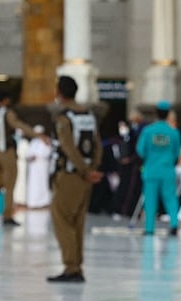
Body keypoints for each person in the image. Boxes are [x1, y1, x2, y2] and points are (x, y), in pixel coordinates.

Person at [47, 75, 103, 282]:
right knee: (78, 221)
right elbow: (97, 144)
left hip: (71, 174)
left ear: (59, 92)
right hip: (86, 177)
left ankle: (71, 266)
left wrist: (84, 170)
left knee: (62, 219)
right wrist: (93, 169)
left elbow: (68, 147)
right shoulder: (88, 114)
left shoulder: (64, 118)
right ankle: (77, 265)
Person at [0, 90, 34, 226]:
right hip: (6, 152)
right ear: (5, 100)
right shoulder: (6, 113)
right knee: (10, 184)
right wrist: (37, 135)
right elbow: (18, 125)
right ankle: (7, 215)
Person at [136, 101, 181, 235]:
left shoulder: (148, 131)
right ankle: (174, 224)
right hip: (167, 171)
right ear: (168, 114)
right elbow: (177, 153)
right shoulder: (173, 132)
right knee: (171, 199)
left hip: (151, 170)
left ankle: (149, 228)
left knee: (150, 200)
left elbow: (140, 150)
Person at [25, 125, 53, 208]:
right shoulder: (34, 141)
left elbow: (47, 151)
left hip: (42, 165)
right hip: (33, 167)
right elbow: (29, 152)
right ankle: (33, 203)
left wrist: (37, 156)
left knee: (42, 183)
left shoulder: (46, 140)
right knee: (33, 184)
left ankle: (43, 202)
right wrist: (30, 156)